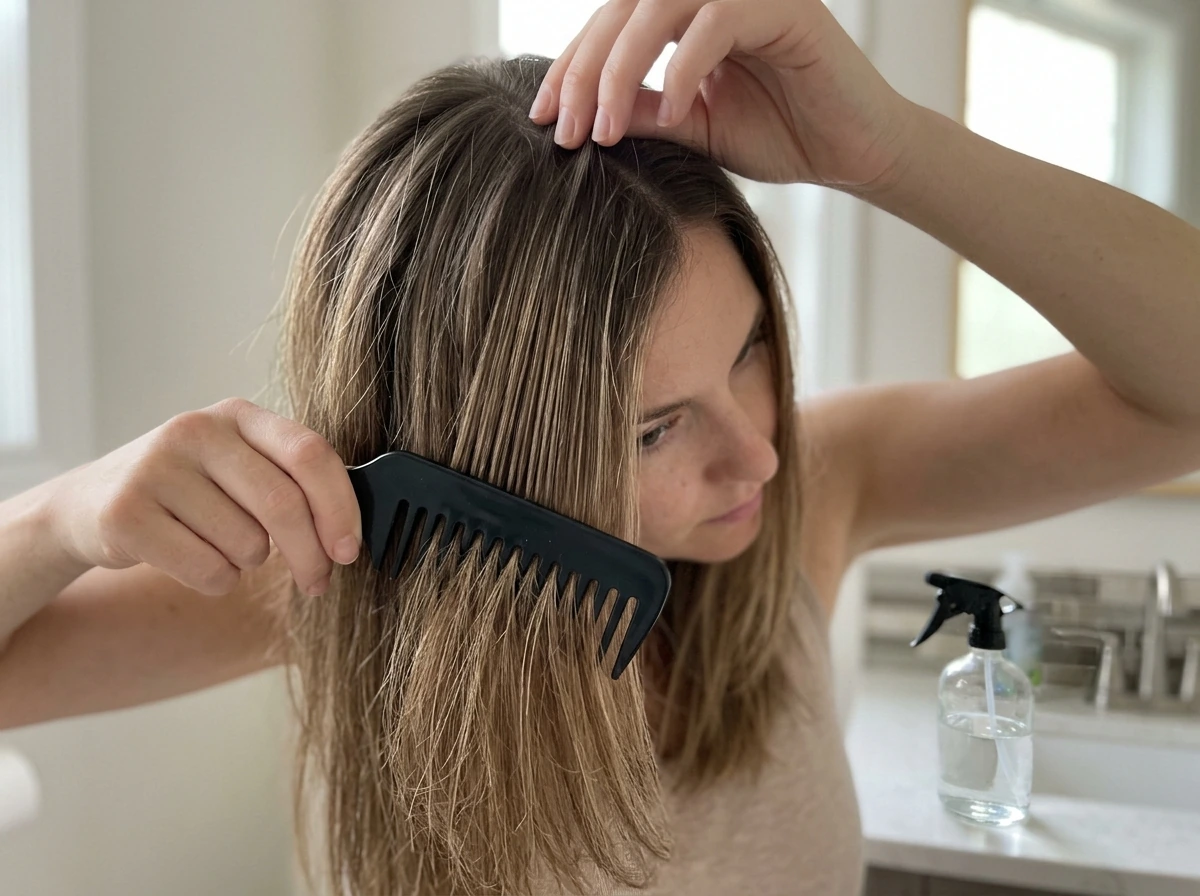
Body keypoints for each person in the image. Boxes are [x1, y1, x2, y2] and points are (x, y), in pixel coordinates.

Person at [2, 1, 1199, 893]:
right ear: (482, 456)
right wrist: (59, 518)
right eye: (654, 427)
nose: (759, 460)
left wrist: (886, 149)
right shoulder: (335, 568)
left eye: (748, 353)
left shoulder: (824, 485)